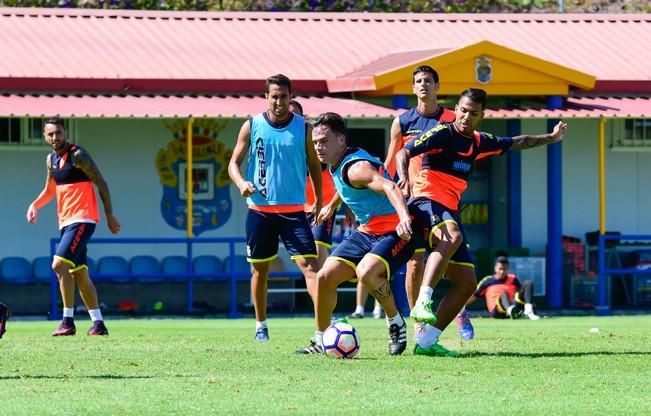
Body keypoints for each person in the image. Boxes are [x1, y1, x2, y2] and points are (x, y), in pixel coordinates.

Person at [396, 88, 567, 356]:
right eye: (462, 110)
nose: (465, 116)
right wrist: (404, 177)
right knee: (452, 237)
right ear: (457, 108)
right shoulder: (443, 132)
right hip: (426, 201)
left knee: (466, 283)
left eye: (472, 113)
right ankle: (423, 301)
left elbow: (518, 141)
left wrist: (551, 137)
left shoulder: (479, 142)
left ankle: (427, 342)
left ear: (481, 116)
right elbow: (404, 151)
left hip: (449, 209)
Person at [296, 112, 416, 356]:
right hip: (367, 230)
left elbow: (389, 186)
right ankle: (321, 339)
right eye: (315, 141)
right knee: (324, 277)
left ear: (341, 140)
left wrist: (404, 218)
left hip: (395, 230)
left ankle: (395, 321)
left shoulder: (356, 168)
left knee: (366, 273)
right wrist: (334, 204)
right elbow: (349, 185)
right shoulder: (338, 162)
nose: (318, 146)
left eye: (324, 141)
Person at [228, 75, 323, 342]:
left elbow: (315, 167)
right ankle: (261, 326)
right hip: (259, 211)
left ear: (290, 97)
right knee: (260, 270)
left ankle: (322, 328)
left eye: (283, 96)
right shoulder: (252, 125)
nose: (279, 101)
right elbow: (233, 163)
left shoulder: (303, 129)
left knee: (310, 266)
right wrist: (241, 183)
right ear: (267, 97)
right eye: (274, 96)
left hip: (294, 211)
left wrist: (319, 200)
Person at [26, 117, 121, 336]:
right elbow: (49, 190)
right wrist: (34, 205)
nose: (55, 137)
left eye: (58, 133)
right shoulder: (50, 160)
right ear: (44, 136)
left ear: (65, 133)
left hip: (83, 219)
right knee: (79, 274)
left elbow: (101, 182)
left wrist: (108, 214)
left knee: (58, 265)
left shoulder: (78, 155)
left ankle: (67, 321)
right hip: (66, 222)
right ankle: (98, 324)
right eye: (50, 134)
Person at [383, 65, 457, 333]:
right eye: (418, 81)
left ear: (438, 86)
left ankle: (459, 308)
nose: (423, 84)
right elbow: (391, 161)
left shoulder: (452, 118)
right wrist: (385, 191)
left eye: (428, 80)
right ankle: (419, 325)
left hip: (442, 199)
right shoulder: (402, 122)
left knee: (447, 257)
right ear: (413, 88)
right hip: (411, 201)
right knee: (414, 263)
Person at [290, 99, 337, 269]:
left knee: (318, 250)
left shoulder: (315, 137)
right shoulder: (283, 142)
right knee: (306, 261)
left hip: (323, 204)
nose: (292, 117)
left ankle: (325, 285)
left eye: (296, 114)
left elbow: (337, 168)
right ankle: (324, 282)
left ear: (302, 117)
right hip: (298, 208)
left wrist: (345, 207)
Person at [462, 256, 541, 321]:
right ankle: (510, 310)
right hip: (497, 311)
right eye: (500, 269)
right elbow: (475, 295)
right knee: (503, 294)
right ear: (495, 268)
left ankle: (528, 311)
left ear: (508, 269)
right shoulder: (487, 281)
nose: (502, 272)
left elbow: (524, 293)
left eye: (505, 269)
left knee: (528, 283)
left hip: (514, 306)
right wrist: (459, 306)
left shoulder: (512, 278)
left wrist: (531, 302)